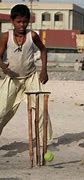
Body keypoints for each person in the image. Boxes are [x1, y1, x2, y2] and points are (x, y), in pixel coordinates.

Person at [0, 4, 52, 139]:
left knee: (41, 110)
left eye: (25, 22)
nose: (22, 25)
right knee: (1, 111)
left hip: (31, 77)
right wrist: (3, 67)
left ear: (28, 21)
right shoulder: (6, 37)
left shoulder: (32, 36)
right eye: (18, 22)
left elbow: (44, 50)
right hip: (13, 79)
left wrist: (44, 70)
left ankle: (41, 140)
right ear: (12, 21)